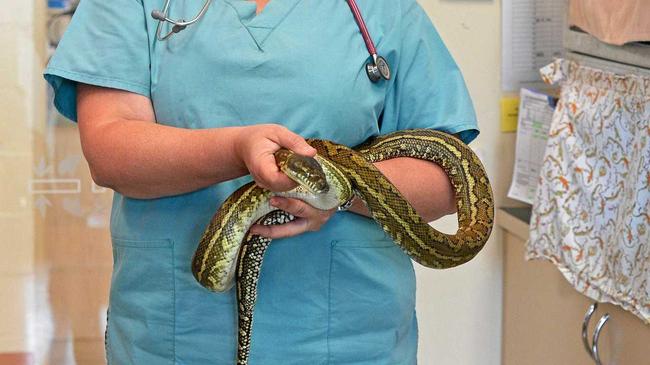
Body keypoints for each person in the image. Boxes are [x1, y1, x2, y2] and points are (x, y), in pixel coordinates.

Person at [44, 0, 479, 363]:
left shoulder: (382, 9)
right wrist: (238, 151)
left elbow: (448, 181)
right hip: (177, 335)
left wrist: (334, 191)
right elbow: (111, 154)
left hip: (351, 335)